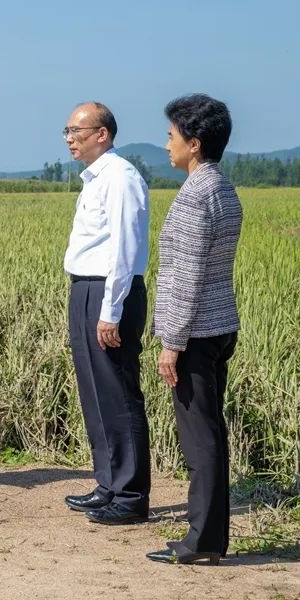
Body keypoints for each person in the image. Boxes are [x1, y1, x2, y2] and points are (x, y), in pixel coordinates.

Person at [147, 94, 242, 565]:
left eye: (172, 136)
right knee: (212, 433)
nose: (167, 144)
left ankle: (201, 541)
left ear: (195, 143)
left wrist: (172, 343)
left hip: (197, 332)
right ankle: (209, 536)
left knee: (200, 439)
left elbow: (185, 279)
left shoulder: (192, 197)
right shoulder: (223, 189)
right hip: (221, 324)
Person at [62, 102, 152, 525]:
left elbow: (124, 248)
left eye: (77, 130)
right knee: (95, 391)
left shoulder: (120, 176)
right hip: (86, 288)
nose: (69, 138)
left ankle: (131, 495)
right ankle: (108, 483)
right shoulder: (95, 179)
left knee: (117, 391)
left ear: (103, 134)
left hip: (109, 292)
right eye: (66, 131)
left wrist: (110, 310)